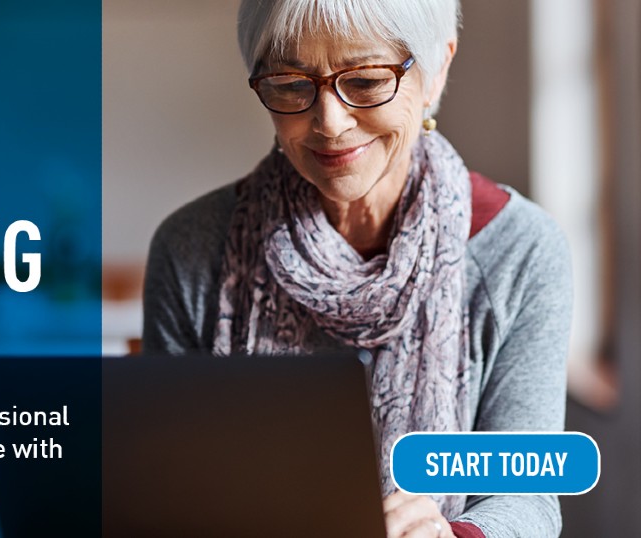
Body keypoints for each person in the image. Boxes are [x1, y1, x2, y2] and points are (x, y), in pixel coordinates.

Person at [141, 1, 571, 537]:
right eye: (291, 85)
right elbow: (166, 486)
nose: (330, 123)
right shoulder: (191, 250)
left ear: (436, 70)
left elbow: (526, 495)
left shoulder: (520, 251)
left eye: (366, 81)